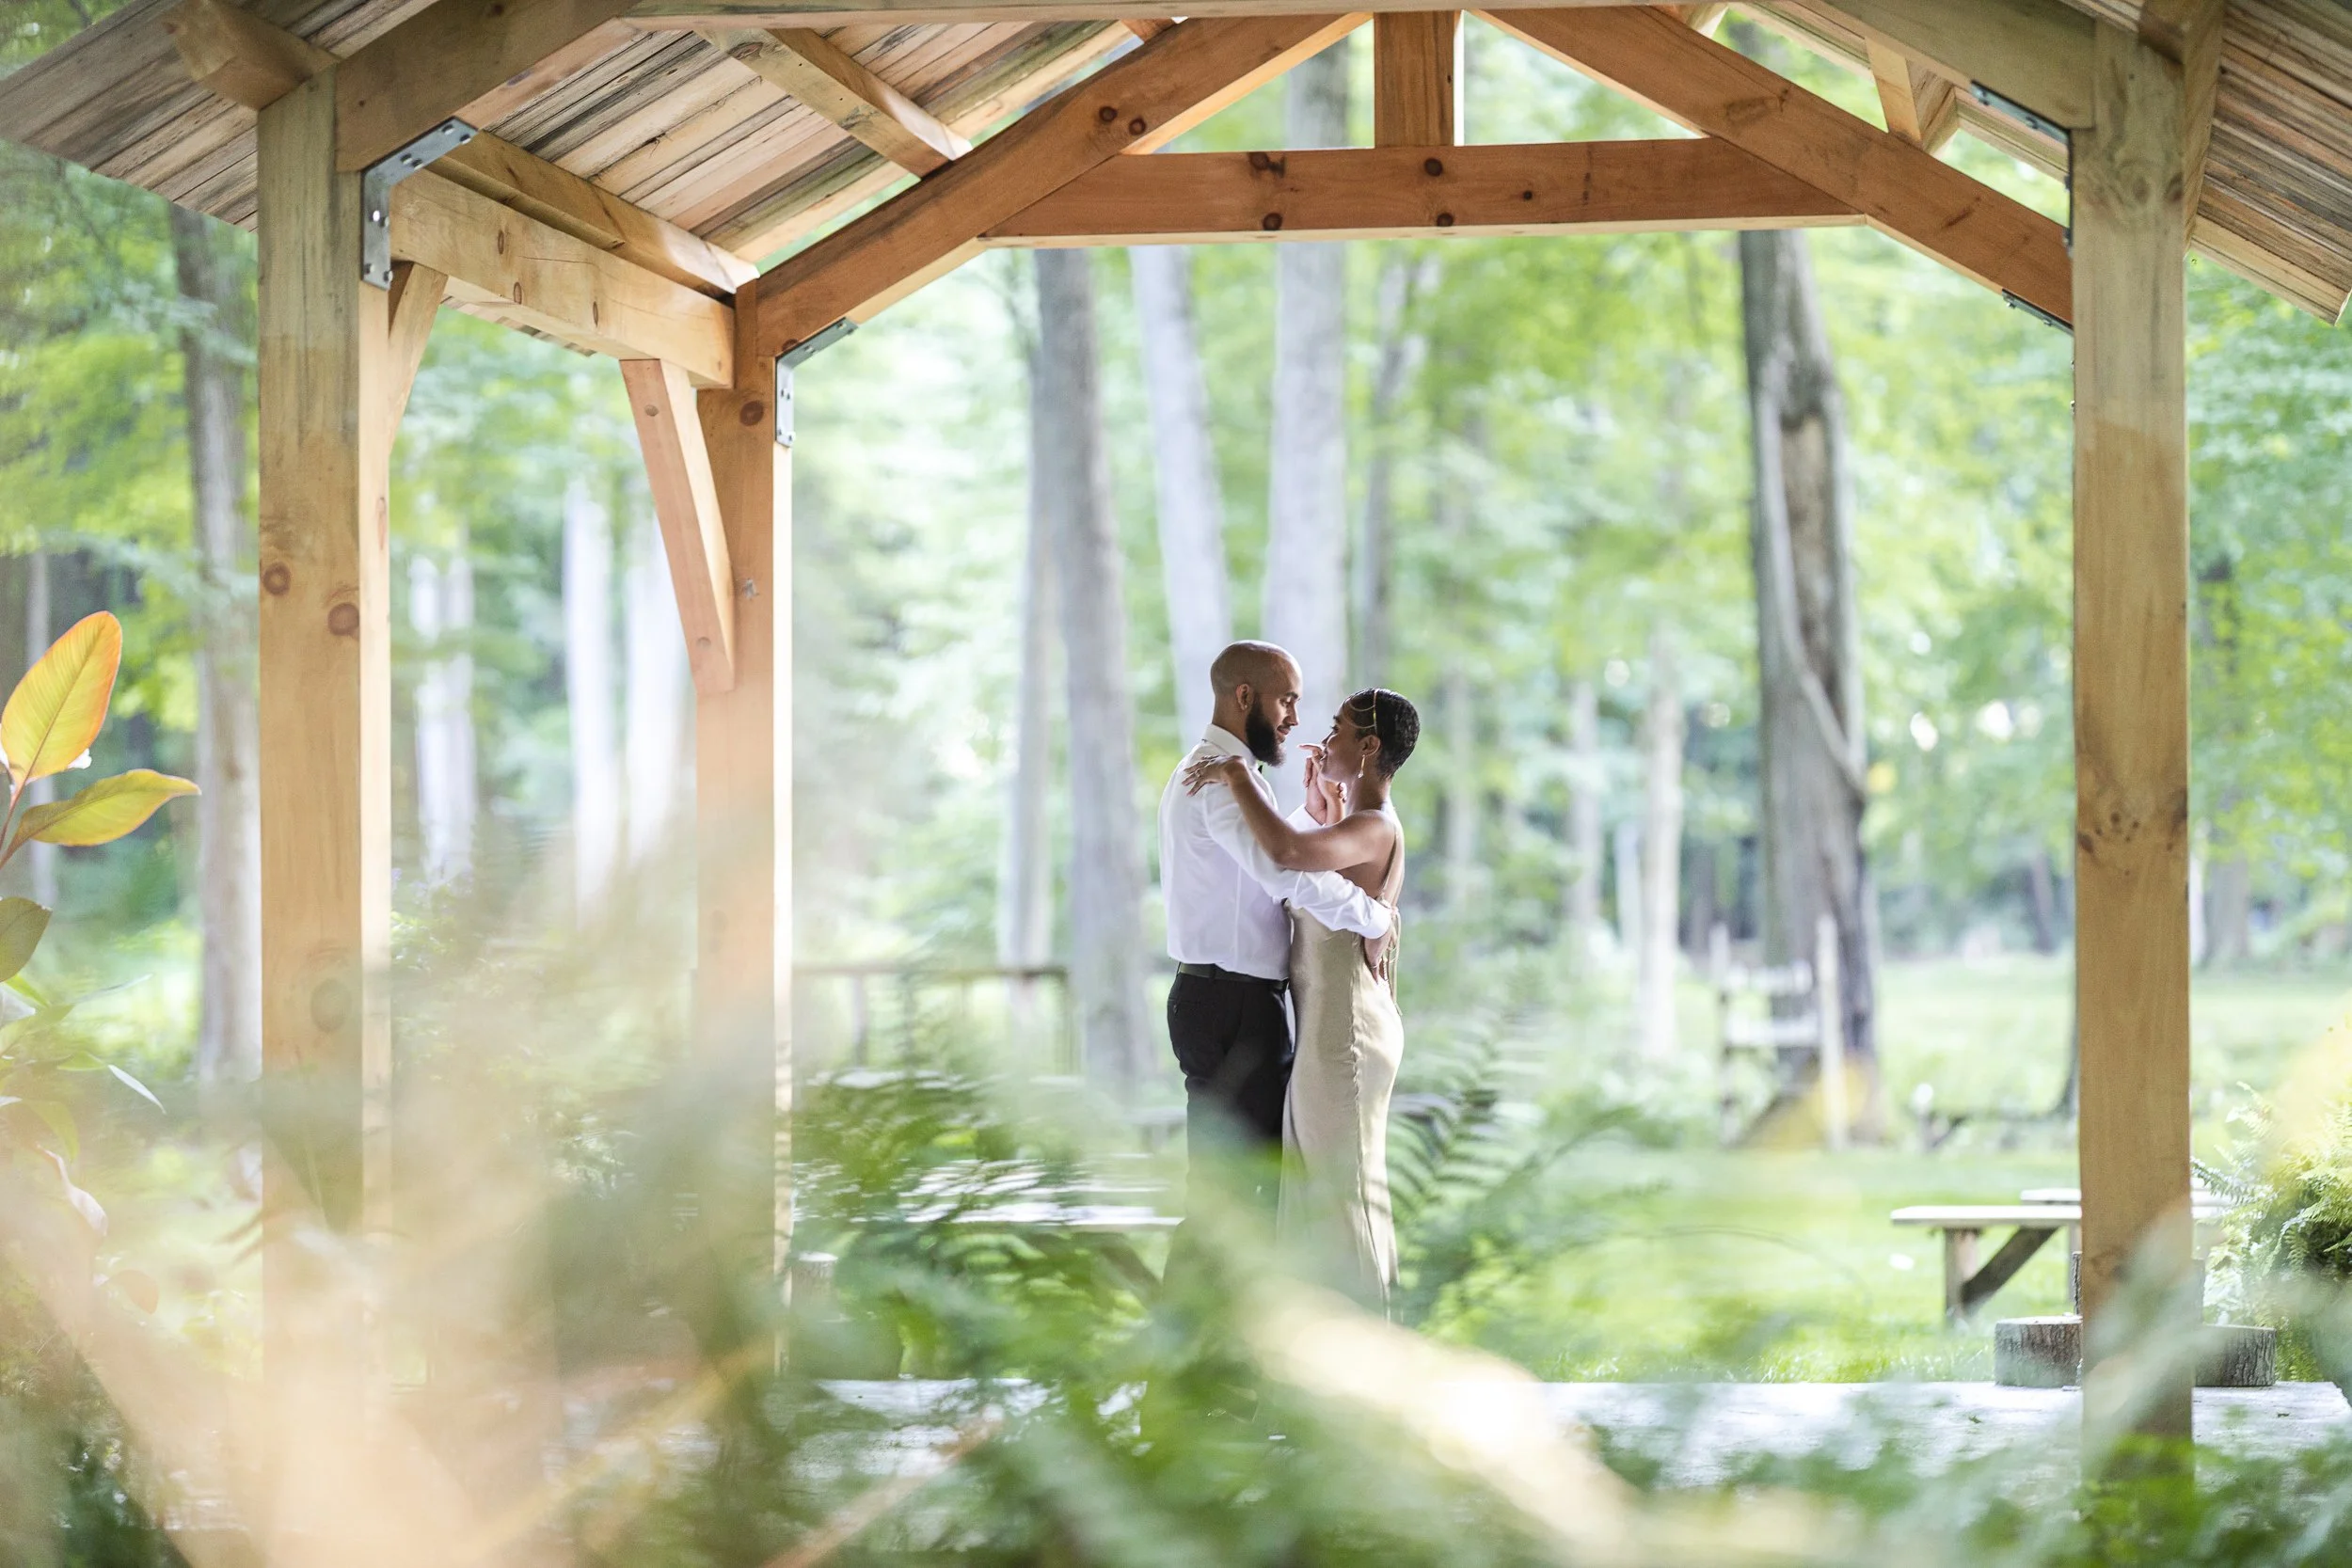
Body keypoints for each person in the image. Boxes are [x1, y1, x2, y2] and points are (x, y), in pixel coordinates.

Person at [1183, 687, 1420, 1310]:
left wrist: (1239, 774)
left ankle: (1370, 1342)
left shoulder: (1372, 826)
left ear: (1368, 747)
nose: (1324, 738)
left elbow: (1286, 856)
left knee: (1343, 1189)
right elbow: (1312, 873)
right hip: (1329, 1025)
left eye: (1339, 729)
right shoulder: (1355, 824)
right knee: (1321, 1186)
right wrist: (1319, 809)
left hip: (1345, 1032)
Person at [1156, 642, 1394, 1219]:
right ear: (1245, 696)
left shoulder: (1213, 770)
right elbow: (1283, 871)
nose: (1293, 718)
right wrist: (1375, 916)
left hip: (1218, 999)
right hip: (1234, 1008)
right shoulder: (1222, 780)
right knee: (1238, 1200)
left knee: (1228, 1193)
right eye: (1286, 700)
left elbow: (1248, 867)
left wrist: (1309, 817)